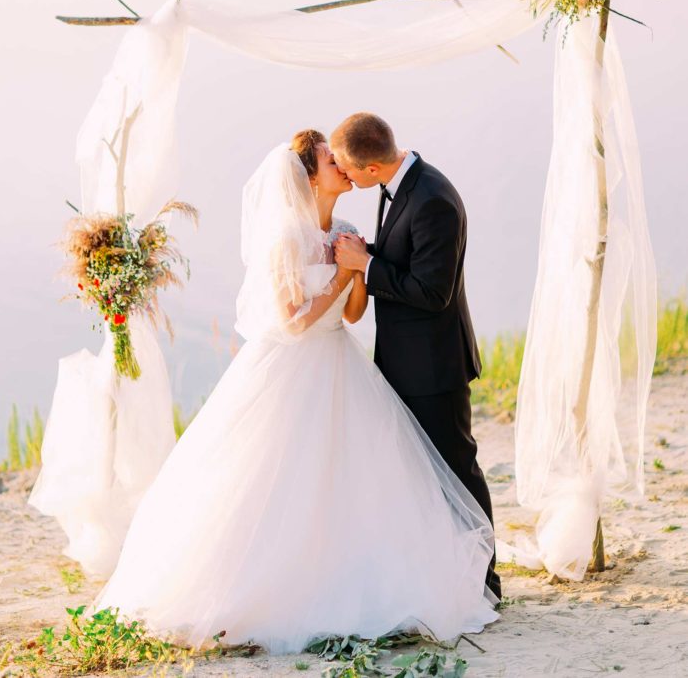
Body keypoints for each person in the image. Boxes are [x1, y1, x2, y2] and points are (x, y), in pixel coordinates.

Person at [92, 131, 498, 652]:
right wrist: (340, 274)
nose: (342, 166)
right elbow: (292, 320)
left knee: (356, 477)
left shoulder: (348, 228)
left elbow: (352, 314)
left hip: (340, 359)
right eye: (332, 160)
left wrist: (356, 274)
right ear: (309, 176)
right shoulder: (286, 238)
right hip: (292, 365)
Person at [331, 113, 501, 602]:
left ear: (368, 167)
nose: (345, 175)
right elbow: (405, 256)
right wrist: (365, 249)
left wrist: (365, 264)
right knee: (424, 474)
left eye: (346, 167)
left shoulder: (433, 200)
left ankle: (486, 582)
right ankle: (446, 572)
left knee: (458, 470)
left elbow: (433, 292)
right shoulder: (402, 185)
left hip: (434, 366)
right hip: (407, 362)